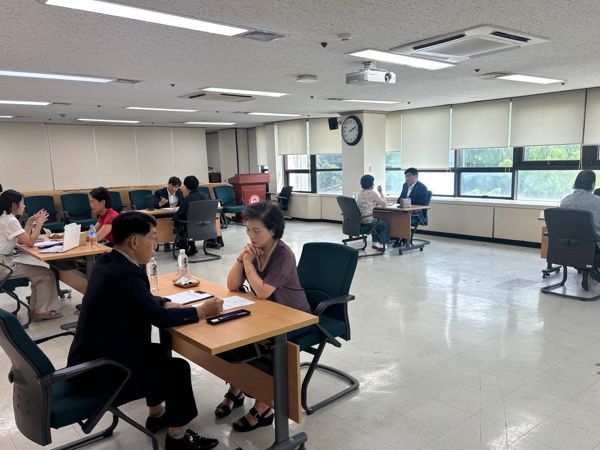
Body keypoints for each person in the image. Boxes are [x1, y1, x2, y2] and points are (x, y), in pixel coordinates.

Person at [67, 211, 223, 450]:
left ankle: (157, 415)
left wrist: (163, 302)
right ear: (134, 241)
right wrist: (201, 311)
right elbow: (158, 319)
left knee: (157, 353)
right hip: (103, 372)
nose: (156, 243)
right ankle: (178, 438)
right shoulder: (126, 274)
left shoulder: (108, 263)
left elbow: (138, 300)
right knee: (177, 369)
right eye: (152, 237)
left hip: (93, 359)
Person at [215, 202, 310, 432]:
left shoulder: (283, 255)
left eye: (256, 231)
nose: (251, 236)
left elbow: (262, 291)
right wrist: (241, 258)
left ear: (273, 230)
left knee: (265, 344)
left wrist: (248, 263)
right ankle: (237, 388)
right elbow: (232, 285)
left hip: (294, 315)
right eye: (248, 230)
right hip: (268, 313)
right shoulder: (255, 250)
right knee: (236, 337)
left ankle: (264, 406)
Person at [0, 190, 61, 321]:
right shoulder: (10, 220)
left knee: (39, 274)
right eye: (22, 203)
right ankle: (42, 311)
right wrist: (39, 224)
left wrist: (28, 223)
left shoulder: (5, 217)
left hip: (4, 262)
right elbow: (30, 242)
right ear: (14, 205)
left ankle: (36, 309)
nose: (24, 206)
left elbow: (22, 240)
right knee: (45, 274)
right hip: (3, 266)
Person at [174, 176, 209, 255]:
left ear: (186, 187)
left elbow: (180, 214)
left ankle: (184, 247)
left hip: (190, 229)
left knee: (178, 222)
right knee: (190, 221)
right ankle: (192, 246)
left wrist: (174, 217)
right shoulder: (206, 196)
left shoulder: (187, 199)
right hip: (205, 227)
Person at [560, 170, 600, 237]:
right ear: (593, 184)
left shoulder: (565, 200)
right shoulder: (597, 200)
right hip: (593, 241)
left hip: (570, 241)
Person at [356, 174, 389, 251]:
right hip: (368, 220)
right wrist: (381, 192)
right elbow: (384, 204)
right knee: (385, 224)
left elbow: (367, 203)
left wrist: (374, 203)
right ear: (371, 184)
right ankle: (382, 244)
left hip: (360, 220)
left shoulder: (360, 193)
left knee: (376, 222)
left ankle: (375, 242)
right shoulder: (372, 193)